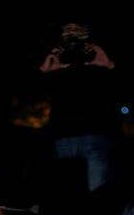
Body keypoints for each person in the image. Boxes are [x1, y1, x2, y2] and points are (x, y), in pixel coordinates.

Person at [38, 21, 119, 193]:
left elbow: (124, 93)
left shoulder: (99, 67)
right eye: (68, 30)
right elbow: (31, 94)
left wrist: (109, 66)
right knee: (67, 193)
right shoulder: (56, 70)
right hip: (63, 138)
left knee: (99, 195)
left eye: (77, 30)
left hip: (96, 137)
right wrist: (45, 70)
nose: (72, 34)